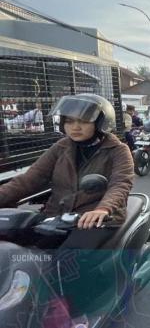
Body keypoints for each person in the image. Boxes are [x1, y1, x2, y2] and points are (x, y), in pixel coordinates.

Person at [0, 93, 134, 249]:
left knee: (70, 262)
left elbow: (121, 183)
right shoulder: (61, 147)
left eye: (83, 121)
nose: (75, 127)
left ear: (100, 123)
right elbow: (29, 179)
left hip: (94, 219)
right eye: (69, 121)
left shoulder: (118, 150)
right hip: (56, 216)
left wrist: (103, 209)